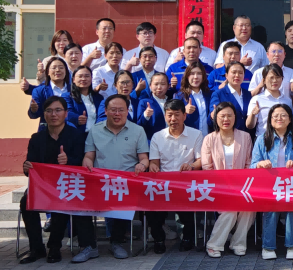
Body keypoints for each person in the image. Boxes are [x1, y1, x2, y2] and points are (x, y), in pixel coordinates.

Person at [19, 96, 89, 264]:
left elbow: (82, 163)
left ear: (66, 113)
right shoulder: (37, 138)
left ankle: (54, 246)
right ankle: (36, 248)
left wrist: (68, 161)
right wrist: (26, 167)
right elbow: (31, 166)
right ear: (44, 114)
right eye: (49, 111)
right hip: (43, 186)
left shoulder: (76, 136)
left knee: (61, 201)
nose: (53, 114)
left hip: (67, 184)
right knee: (25, 202)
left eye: (58, 110)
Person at [82, 94, 149, 260]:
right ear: (105, 111)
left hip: (126, 184)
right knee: (79, 202)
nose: (117, 113)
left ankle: (117, 242)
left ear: (127, 111)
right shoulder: (95, 130)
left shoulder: (138, 131)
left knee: (123, 198)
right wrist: (87, 163)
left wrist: (142, 165)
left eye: (121, 110)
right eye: (113, 110)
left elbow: (144, 158)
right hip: (99, 183)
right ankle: (89, 246)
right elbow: (89, 156)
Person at [250, 104, 293, 260]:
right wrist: (260, 164)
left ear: (289, 119)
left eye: (283, 115)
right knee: (270, 210)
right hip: (270, 185)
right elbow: (252, 165)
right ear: (270, 119)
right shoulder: (262, 139)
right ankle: (268, 246)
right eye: (275, 116)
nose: (279, 118)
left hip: (291, 184)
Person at [147, 99, 203, 254]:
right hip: (163, 184)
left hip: (186, 183)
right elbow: (154, 162)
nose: (173, 119)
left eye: (177, 114)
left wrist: (191, 166)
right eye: (170, 115)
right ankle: (159, 239)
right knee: (152, 208)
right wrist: (153, 166)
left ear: (184, 116)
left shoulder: (196, 134)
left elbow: (200, 160)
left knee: (188, 207)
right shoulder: (157, 136)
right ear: (165, 116)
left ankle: (187, 238)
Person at [202, 102, 255, 258]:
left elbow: (249, 163)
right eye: (222, 116)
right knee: (230, 209)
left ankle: (238, 243)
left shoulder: (245, 137)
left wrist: (241, 186)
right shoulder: (209, 139)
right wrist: (223, 186)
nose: (226, 119)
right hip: (217, 187)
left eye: (229, 116)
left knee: (249, 209)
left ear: (235, 117)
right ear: (215, 118)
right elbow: (207, 166)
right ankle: (214, 244)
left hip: (242, 186)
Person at [246, 64, 293, 139]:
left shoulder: (287, 100)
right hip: (264, 140)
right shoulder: (257, 99)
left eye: (278, 77)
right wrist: (253, 114)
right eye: (271, 78)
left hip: (284, 140)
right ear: (264, 80)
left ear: (282, 79)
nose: (275, 80)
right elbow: (249, 125)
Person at [28, 57, 74, 129]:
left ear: (66, 71)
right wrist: (34, 110)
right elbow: (33, 116)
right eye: (54, 68)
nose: (58, 70)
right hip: (48, 131)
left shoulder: (74, 90)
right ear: (48, 72)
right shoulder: (39, 91)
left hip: (71, 130)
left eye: (61, 67)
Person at [208, 61, 252, 132]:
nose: (237, 75)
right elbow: (210, 121)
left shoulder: (248, 94)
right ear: (226, 75)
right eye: (234, 72)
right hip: (227, 135)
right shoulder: (218, 94)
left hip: (246, 136)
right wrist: (212, 116)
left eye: (240, 73)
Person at [175, 63, 212, 135]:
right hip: (189, 138)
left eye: (199, 73)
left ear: (203, 76)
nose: (196, 77)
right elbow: (174, 118)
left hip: (208, 138)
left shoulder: (210, 94)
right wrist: (184, 111)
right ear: (187, 76)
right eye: (192, 73)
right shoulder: (179, 96)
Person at [67, 65, 102, 135]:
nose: (83, 79)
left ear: (91, 79)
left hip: (96, 135)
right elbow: (67, 112)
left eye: (87, 76)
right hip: (76, 135)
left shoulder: (98, 97)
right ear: (73, 80)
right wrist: (77, 118)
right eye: (80, 76)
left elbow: (102, 116)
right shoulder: (68, 96)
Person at [138, 72, 172, 139]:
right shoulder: (144, 102)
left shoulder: (172, 101)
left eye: (163, 84)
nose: (159, 87)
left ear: (168, 86)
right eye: (156, 84)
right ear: (150, 86)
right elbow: (139, 125)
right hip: (152, 140)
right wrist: (146, 115)